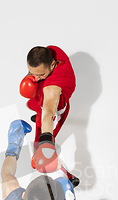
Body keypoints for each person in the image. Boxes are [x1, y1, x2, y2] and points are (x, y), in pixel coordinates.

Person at [19, 45, 79, 187]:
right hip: (42, 101)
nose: (35, 78)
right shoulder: (51, 52)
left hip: (53, 114)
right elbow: (36, 72)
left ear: (52, 64)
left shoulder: (53, 87)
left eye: (40, 75)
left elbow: (48, 113)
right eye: (32, 72)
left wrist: (46, 143)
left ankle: (67, 175)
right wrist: (32, 75)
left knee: (41, 158)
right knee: (34, 95)